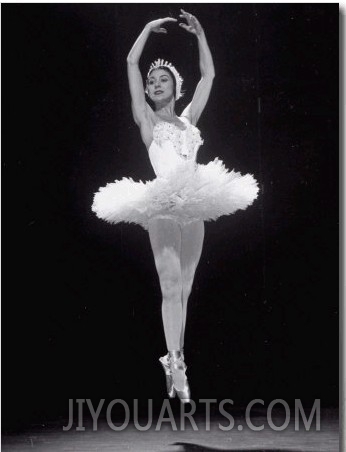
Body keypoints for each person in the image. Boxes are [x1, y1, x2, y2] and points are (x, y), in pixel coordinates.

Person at [92, 10, 259, 403]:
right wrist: (147, 31)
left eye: (162, 78)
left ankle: (172, 359)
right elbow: (132, 63)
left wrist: (200, 34)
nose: (154, 83)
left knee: (184, 289)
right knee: (170, 287)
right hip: (164, 202)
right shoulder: (146, 120)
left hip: (195, 201)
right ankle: (178, 360)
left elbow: (209, 77)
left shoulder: (189, 120)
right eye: (152, 81)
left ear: (175, 87)